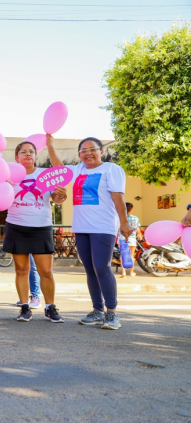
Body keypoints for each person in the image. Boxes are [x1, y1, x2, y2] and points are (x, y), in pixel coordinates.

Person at [2, 137, 67, 323]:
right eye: (23, 151)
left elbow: (57, 199)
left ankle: (50, 307)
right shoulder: (9, 175)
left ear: (36, 156)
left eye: (31, 151)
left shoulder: (44, 174)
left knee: (45, 271)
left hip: (41, 227)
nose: (28, 154)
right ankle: (25, 307)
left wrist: (62, 195)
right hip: (16, 226)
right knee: (21, 270)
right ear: (17, 157)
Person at [71, 137, 132, 330]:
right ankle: (97, 311)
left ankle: (112, 313)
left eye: (92, 149)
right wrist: (48, 145)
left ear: (101, 152)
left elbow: (117, 197)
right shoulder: (78, 169)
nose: (88, 153)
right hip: (81, 227)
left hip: (102, 227)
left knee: (102, 268)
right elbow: (57, 169)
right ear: (79, 154)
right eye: (83, 150)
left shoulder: (111, 169)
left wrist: (124, 222)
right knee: (90, 269)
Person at [119, 202, 140, 278]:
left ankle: (123, 273)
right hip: (131, 238)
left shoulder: (120, 217)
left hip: (122, 238)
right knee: (131, 255)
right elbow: (137, 228)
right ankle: (131, 272)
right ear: (131, 209)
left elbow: (118, 228)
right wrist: (139, 234)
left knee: (123, 255)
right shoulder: (135, 218)